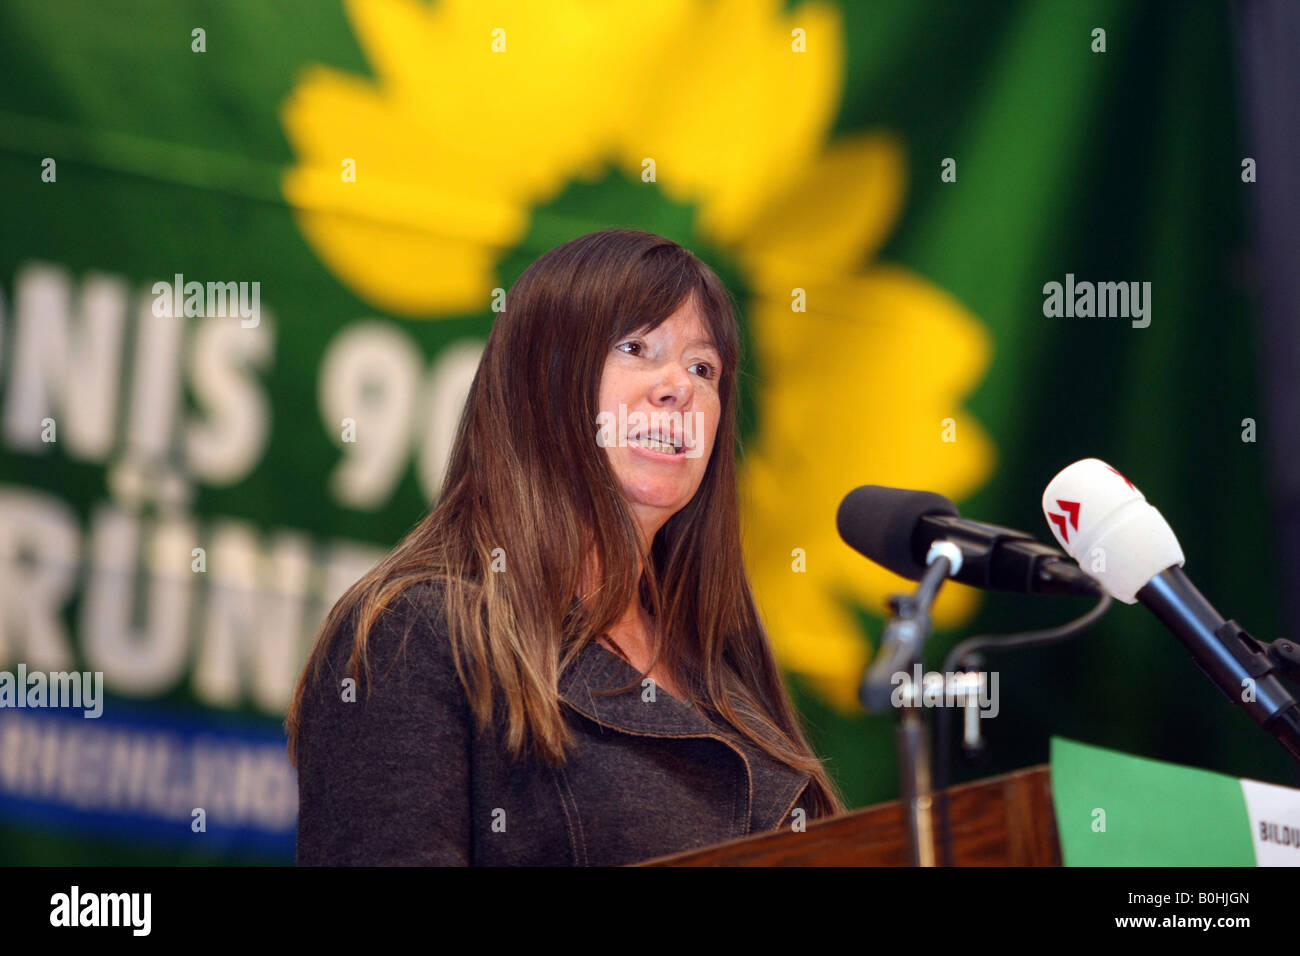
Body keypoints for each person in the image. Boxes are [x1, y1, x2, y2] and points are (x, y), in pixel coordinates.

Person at [286, 227, 845, 865]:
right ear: (541, 382)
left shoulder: (727, 672)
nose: (680, 388)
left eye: (703, 367)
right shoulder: (416, 632)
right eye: (636, 347)